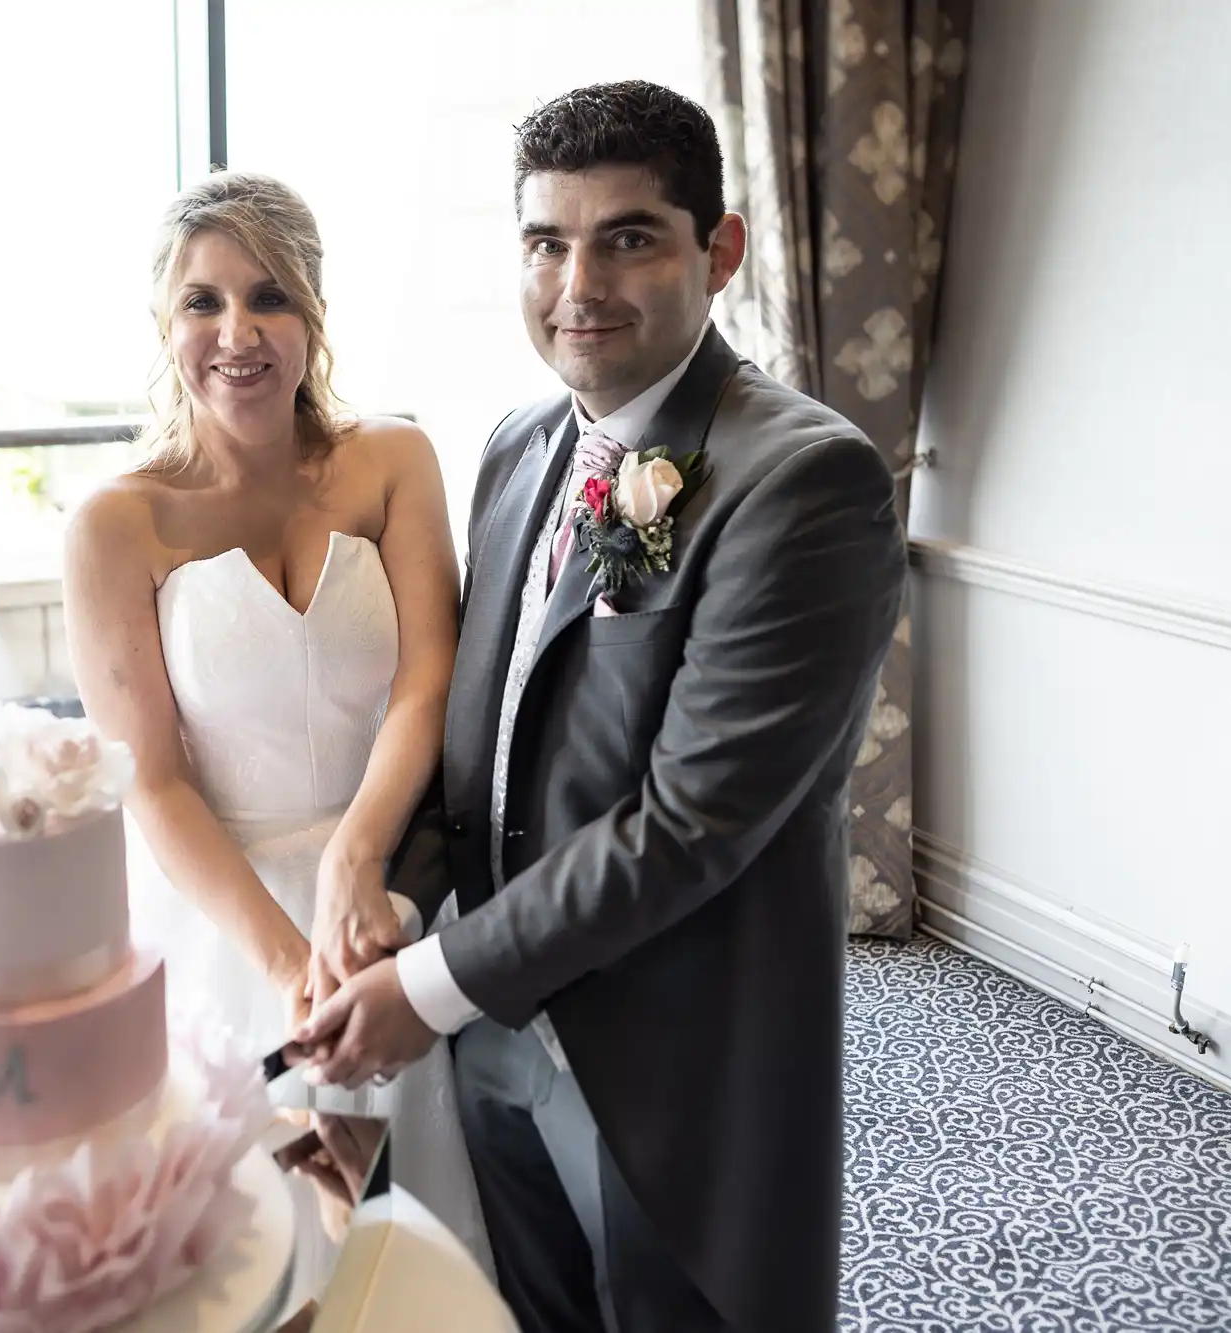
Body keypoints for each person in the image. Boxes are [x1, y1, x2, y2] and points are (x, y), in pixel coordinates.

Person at [292, 81, 908, 1332]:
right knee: (543, 1308)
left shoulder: (804, 480)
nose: (578, 283)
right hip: (494, 1023)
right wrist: (401, 901)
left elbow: (692, 822)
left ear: (716, 251)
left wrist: (427, 985)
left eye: (627, 237)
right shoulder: (519, 444)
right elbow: (487, 740)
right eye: (545, 241)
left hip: (672, 1052)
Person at [61, 171, 493, 1297]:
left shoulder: (392, 458)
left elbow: (427, 679)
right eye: (202, 302)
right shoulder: (118, 521)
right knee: (248, 1254)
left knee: (412, 1248)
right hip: (220, 903)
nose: (236, 333)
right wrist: (285, 962)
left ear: (311, 312)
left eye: (269, 297)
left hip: (389, 873)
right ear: (165, 323)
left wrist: (357, 860)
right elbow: (150, 780)